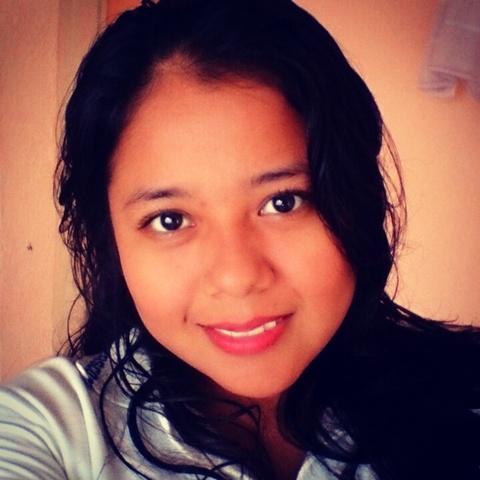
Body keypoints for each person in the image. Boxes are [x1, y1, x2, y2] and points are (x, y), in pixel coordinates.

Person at [1, 0, 480, 478]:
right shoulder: (46, 429)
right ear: (111, 237)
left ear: (355, 196)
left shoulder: (462, 399)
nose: (237, 277)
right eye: (170, 219)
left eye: (283, 202)